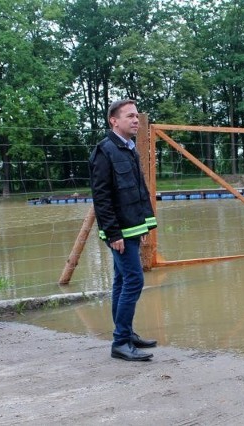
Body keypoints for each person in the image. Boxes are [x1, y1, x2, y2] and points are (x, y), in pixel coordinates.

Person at [89, 99, 158, 361]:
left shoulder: (129, 149)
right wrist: (113, 233)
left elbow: (137, 190)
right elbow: (102, 198)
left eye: (137, 117)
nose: (135, 121)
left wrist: (144, 224)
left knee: (121, 280)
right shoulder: (104, 151)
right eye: (129, 116)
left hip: (132, 226)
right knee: (134, 280)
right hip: (119, 231)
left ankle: (125, 334)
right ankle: (120, 342)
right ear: (113, 121)